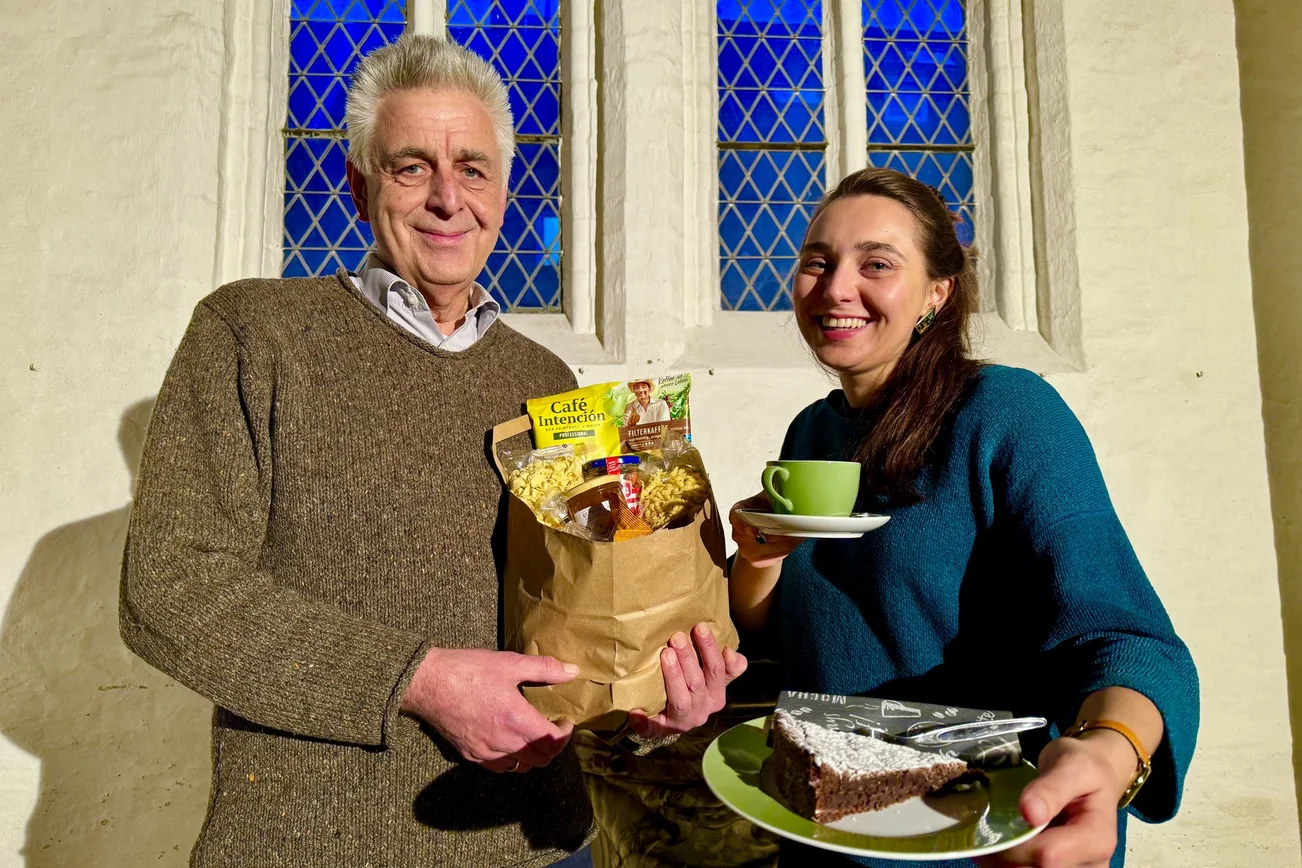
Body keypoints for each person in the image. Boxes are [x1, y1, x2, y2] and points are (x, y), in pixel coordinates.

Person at [119, 34, 739, 868]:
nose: (450, 197)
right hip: (314, 845)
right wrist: (415, 680)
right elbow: (169, 587)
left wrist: (648, 691)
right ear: (358, 185)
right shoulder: (253, 333)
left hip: (535, 842)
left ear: (505, 192)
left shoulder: (545, 378)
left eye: (474, 168)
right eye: (413, 166)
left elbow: (580, 608)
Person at [727, 168, 1199, 868]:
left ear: (937, 294)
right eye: (816, 263)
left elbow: (1122, 635)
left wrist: (1110, 753)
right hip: (825, 833)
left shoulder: (1008, 414)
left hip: (977, 838)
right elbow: (789, 634)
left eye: (877, 264)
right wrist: (760, 558)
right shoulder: (811, 434)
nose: (834, 288)